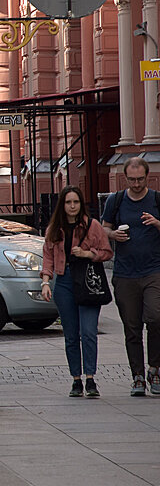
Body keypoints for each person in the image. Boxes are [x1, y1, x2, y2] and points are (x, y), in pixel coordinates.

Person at [41, 185, 112, 398]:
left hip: (88, 282)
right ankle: (76, 380)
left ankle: (91, 378)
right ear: (62, 205)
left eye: (76, 202)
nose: (72, 206)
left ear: (81, 204)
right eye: (68, 202)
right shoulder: (54, 229)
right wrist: (45, 282)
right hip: (64, 283)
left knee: (88, 332)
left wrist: (87, 253)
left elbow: (107, 252)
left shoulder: (93, 226)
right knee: (71, 335)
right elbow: (48, 258)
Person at [102, 157, 160, 396]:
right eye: (132, 179)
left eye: (140, 179)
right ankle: (137, 376)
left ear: (147, 177)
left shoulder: (156, 199)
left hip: (154, 270)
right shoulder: (115, 201)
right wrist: (113, 234)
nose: (136, 184)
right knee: (132, 327)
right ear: (126, 178)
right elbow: (103, 228)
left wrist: (157, 223)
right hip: (125, 273)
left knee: (156, 317)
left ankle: (155, 368)